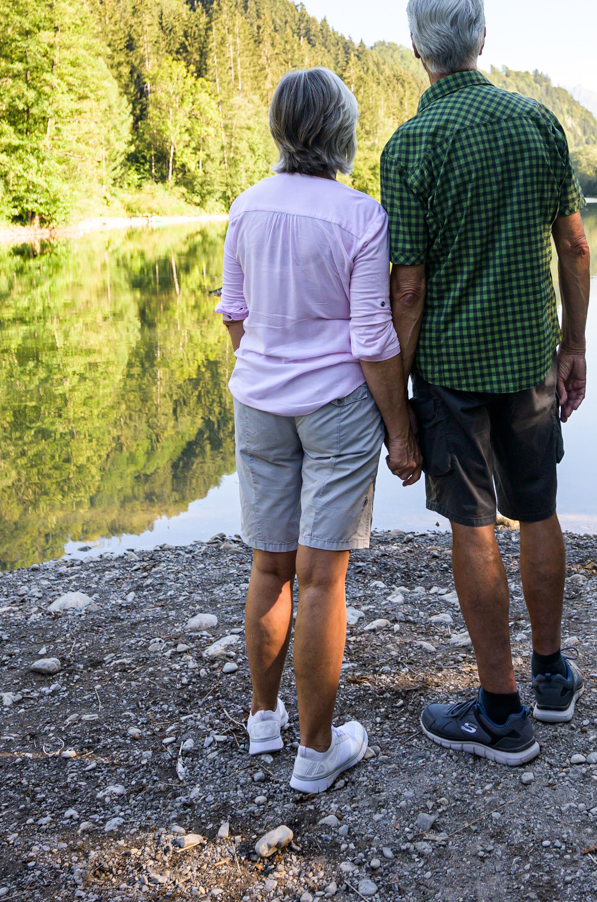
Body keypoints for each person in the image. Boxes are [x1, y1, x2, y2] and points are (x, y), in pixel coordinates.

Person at [379, 0, 591, 767]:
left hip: (450, 369)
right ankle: (551, 677)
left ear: (418, 52)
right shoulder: (537, 122)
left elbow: (409, 285)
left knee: (475, 527)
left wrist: (397, 399)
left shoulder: (410, 146)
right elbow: (574, 244)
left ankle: (501, 713)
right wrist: (574, 345)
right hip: (531, 358)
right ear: (482, 40)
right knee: (537, 510)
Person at [215, 67, 422, 794]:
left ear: (279, 127)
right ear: (342, 131)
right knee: (321, 577)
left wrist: (269, 369)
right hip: (335, 407)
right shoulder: (361, 215)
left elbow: (233, 313)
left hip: (259, 403)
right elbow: (373, 338)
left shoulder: (246, 206)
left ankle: (262, 720)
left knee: (270, 567)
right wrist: (400, 431)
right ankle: (315, 751)